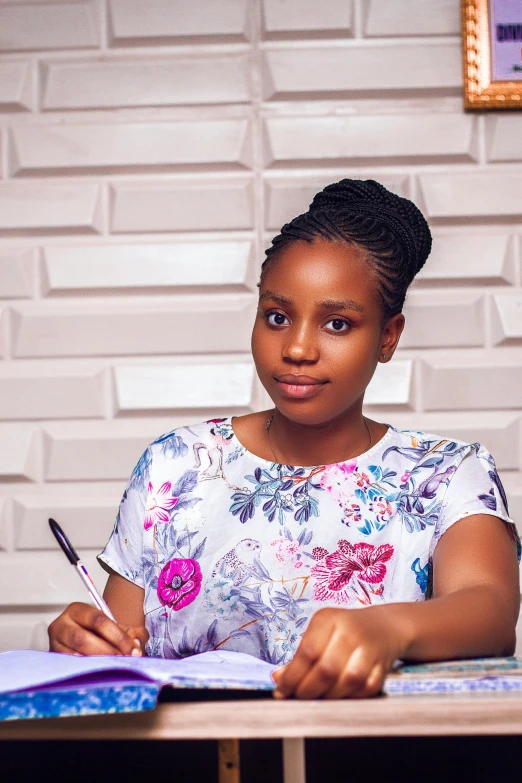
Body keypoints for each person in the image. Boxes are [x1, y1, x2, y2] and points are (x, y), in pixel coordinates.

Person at [48, 179, 520, 699]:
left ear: (388, 336)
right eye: (277, 317)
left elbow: (491, 610)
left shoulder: (446, 473)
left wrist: (389, 628)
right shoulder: (175, 465)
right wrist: (86, 645)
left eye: (337, 324)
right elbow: (120, 652)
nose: (296, 348)